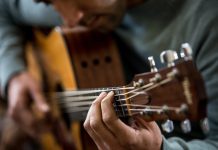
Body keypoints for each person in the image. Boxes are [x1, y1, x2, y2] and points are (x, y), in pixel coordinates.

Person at [0, 0, 218, 149]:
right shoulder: (70, 5)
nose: (71, 20)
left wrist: (160, 148)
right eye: (48, 2)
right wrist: (13, 74)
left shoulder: (207, 22)